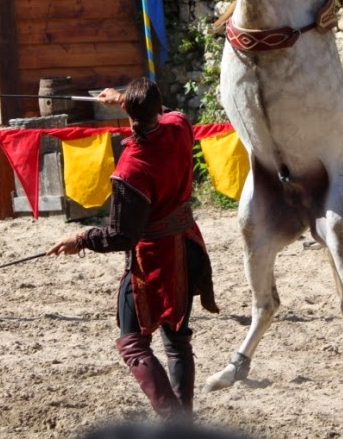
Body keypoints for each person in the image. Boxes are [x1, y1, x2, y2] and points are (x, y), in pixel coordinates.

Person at [48, 77, 219, 420]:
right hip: (188, 246)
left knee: (133, 343)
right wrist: (125, 99)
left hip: (156, 262)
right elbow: (169, 113)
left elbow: (121, 236)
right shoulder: (179, 127)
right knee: (177, 344)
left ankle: (174, 422)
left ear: (129, 111)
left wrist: (79, 239)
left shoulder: (130, 168)